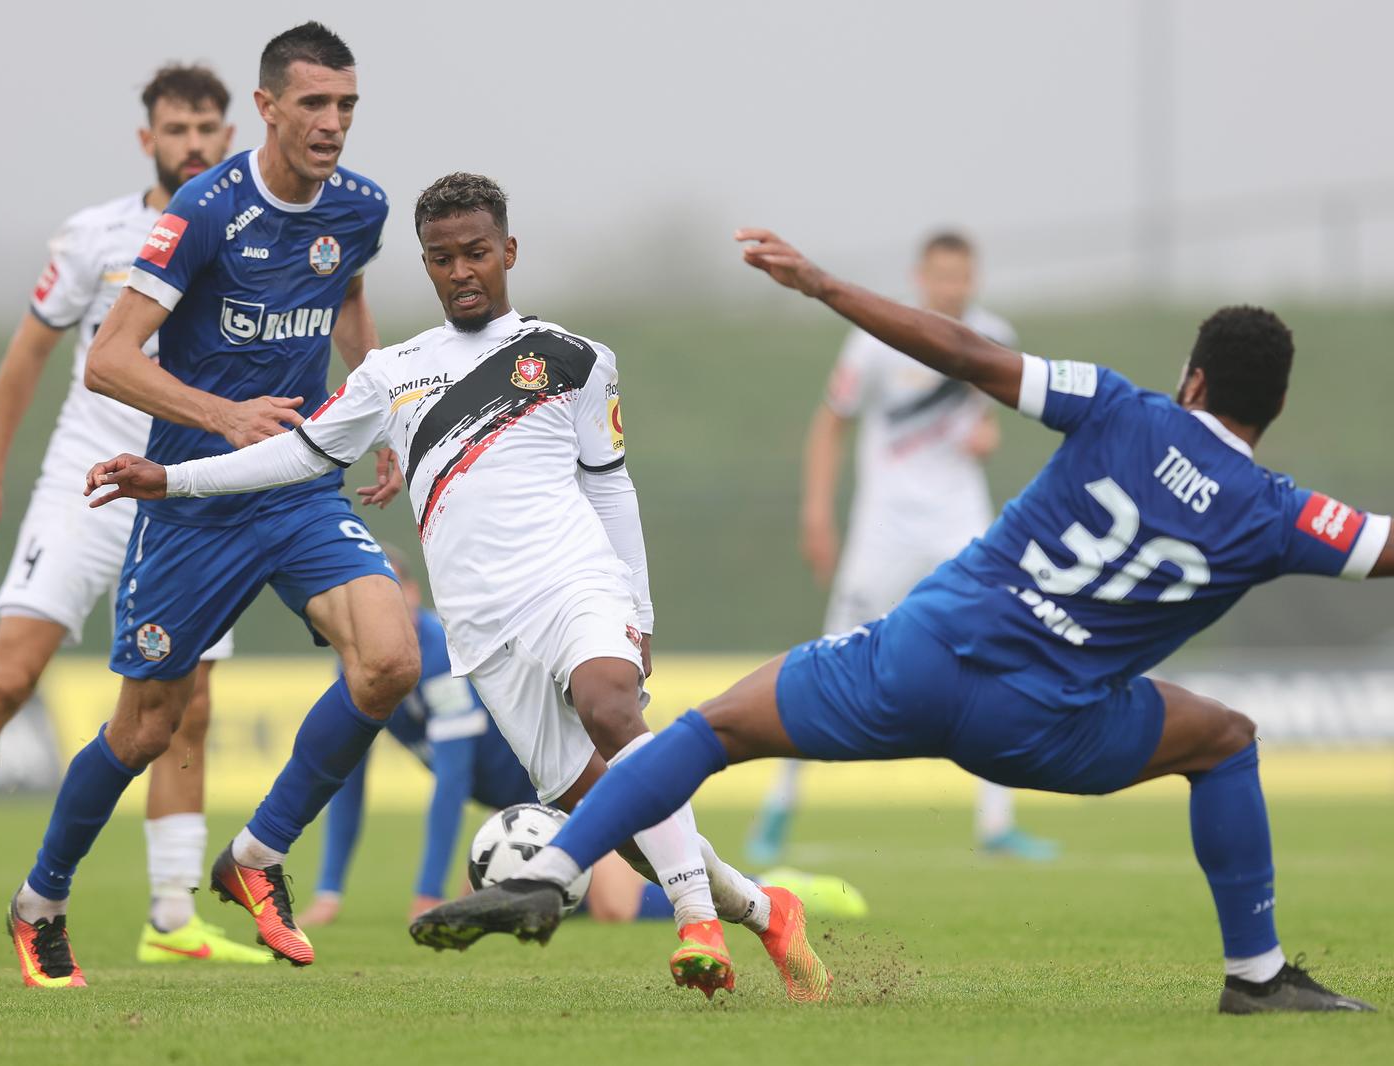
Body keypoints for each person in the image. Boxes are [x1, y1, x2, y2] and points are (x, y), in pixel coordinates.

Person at [409, 228, 1389, 1015]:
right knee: (1223, 743)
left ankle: (554, 868)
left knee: (709, 730)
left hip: (914, 660)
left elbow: (965, 352)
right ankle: (1256, 975)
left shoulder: (1121, 406)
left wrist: (827, 287)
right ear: (1276, 404)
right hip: (1046, 728)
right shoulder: (1279, 512)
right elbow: (1379, 546)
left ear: (1194, 382)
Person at [82, 172, 831, 1002]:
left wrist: (639, 609)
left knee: (613, 706)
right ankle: (764, 909)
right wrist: (174, 478)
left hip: (575, 584)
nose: (462, 271)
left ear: (508, 251)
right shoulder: (391, 373)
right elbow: (299, 454)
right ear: (428, 265)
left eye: (477, 252)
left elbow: (612, 486)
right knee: (610, 815)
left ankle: (695, 923)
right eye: (443, 258)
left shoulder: (574, 359)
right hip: (485, 632)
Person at [3, 23, 421, 989]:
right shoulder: (203, 209)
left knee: (391, 657)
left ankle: (256, 856)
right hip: (193, 505)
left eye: (346, 105)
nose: (332, 124)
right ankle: (41, 901)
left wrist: (384, 417)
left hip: (302, 489)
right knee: (146, 731)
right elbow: (109, 358)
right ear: (267, 109)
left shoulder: (361, 208)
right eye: (313, 104)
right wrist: (224, 416)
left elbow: (348, 301)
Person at [0, 65, 269, 965]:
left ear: (230, 134)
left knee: (188, 705)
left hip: (184, 494)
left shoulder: (251, 236)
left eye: (208, 128)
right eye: (177, 128)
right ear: (147, 139)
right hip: (84, 487)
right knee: (9, 675)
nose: (193, 143)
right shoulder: (96, 236)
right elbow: (27, 356)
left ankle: (171, 920)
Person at [747, 231, 1057, 866]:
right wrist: (815, 510)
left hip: (960, 519)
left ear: (974, 278)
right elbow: (831, 421)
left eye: (961, 276)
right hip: (885, 525)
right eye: (940, 276)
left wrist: (988, 438)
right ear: (921, 276)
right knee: (832, 655)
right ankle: (779, 805)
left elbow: (990, 414)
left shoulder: (994, 332)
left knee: (1000, 646)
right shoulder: (874, 338)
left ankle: (997, 821)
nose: (951, 287)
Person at [298, 548, 675, 927]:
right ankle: (563, 885)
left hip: (578, 782)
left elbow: (452, 781)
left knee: (616, 908)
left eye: (392, 594)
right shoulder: (357, 667)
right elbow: (349, 778)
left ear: (413, 593)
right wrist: (329, 892)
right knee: (487, 911)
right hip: (519, 805)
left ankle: (720, 890)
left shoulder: (438, 657)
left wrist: (428, 892)